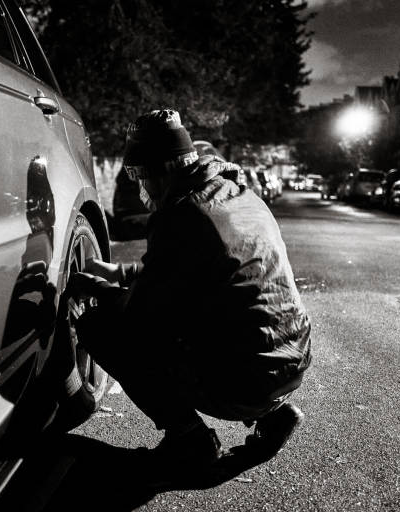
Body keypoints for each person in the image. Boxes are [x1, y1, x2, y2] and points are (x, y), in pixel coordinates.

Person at [67, 109, 312, 471]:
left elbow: (144, 315)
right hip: (290, 362)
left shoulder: (181, 213)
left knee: (102, 326)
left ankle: (188, 440)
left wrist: (100, 292)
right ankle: (275, 414)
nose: (139, 187)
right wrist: (119, 272)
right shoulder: (238, 194)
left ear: (162, 170)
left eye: (138, 174)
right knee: (233, 318)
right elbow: (196, 271)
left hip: (245, 380)